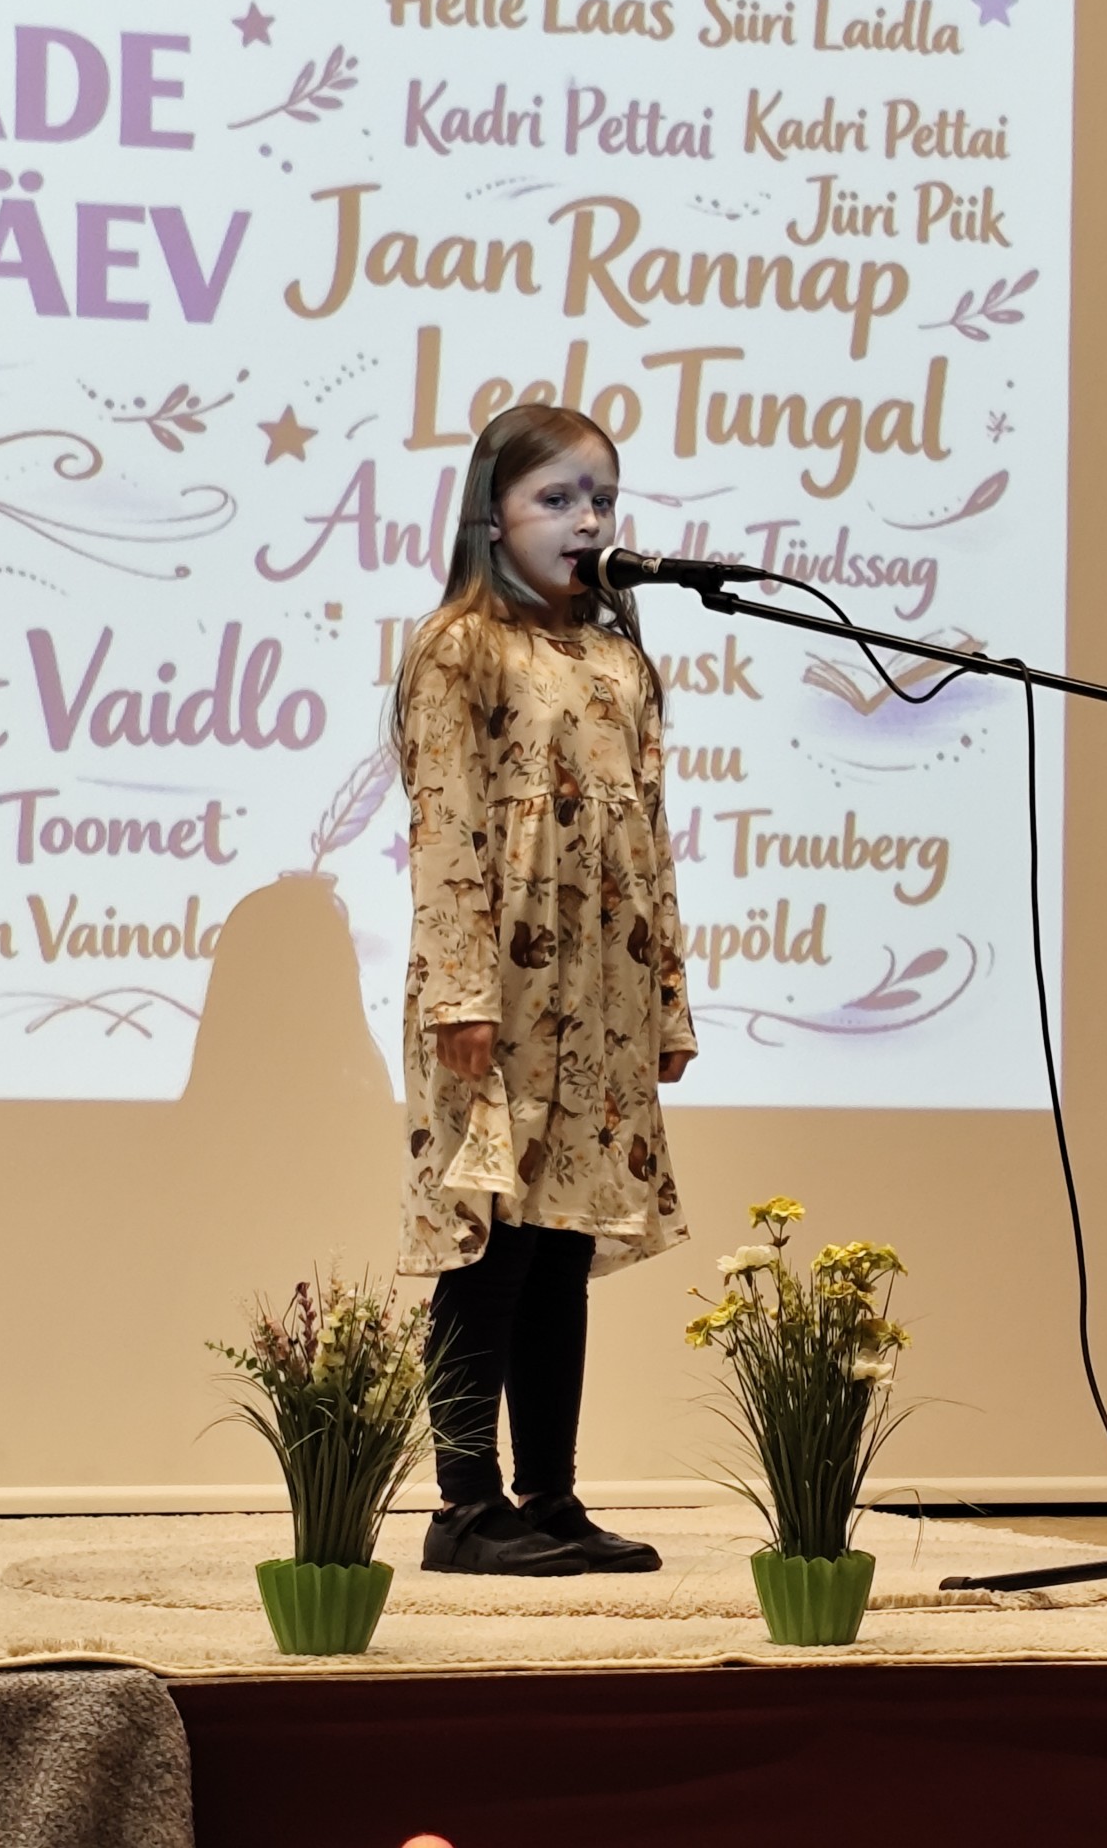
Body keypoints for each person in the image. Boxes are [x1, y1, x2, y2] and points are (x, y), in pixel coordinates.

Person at [391, 403, 697, 1578]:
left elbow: (650, 841)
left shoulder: (621, 661)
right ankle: (465, 1505)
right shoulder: (460, 648)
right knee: (496, 1244)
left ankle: (550, 1494)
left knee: (564, 1245)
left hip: (601, 990)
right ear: (493, 514)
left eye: (600, 500)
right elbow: (448, 830)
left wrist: (665, 998)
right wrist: (461, 994)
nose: (585, 521)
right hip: (498, 994)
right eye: (556, 499)